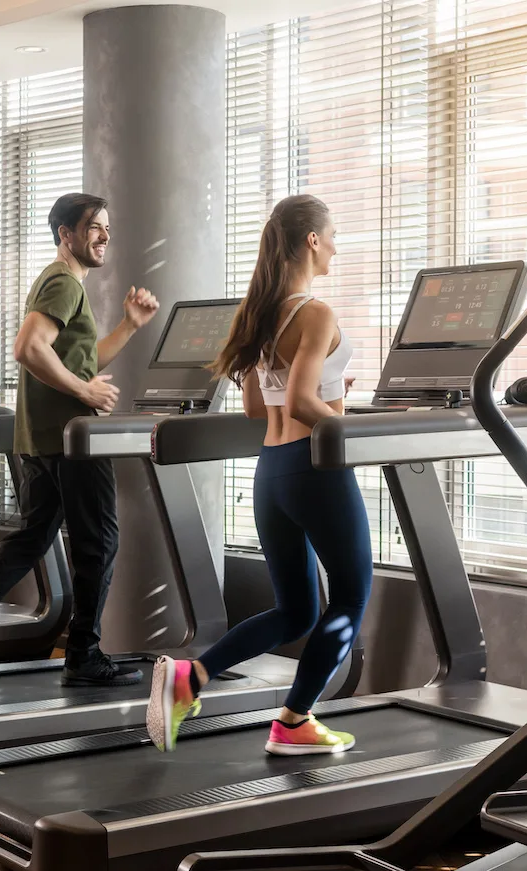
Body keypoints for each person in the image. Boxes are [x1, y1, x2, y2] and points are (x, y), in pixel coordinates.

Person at [146, 194, 370, 757]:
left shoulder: (261, 314)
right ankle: (295, 721)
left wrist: (332, 396)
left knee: (295, 610)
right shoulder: (315, 313)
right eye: (333, 235)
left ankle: (190, 678)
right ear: (313, 240)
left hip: (271, 473)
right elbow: (299, 401)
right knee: (349, 599)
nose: (337, 247)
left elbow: (256, 407)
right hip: (315, 470)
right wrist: (360, 430)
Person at [0, 192, 159, 693]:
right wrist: (83, 392)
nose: (103, 236)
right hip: (72, 442)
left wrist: (128, 328)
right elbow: (28, 349)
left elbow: (77, 359)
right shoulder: (62, 281)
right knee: (99, 543)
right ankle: (84, 655)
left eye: (107, 229)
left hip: (42, 440)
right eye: (94, 227)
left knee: (31, 539)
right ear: (66, 234)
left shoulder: (62, 284)